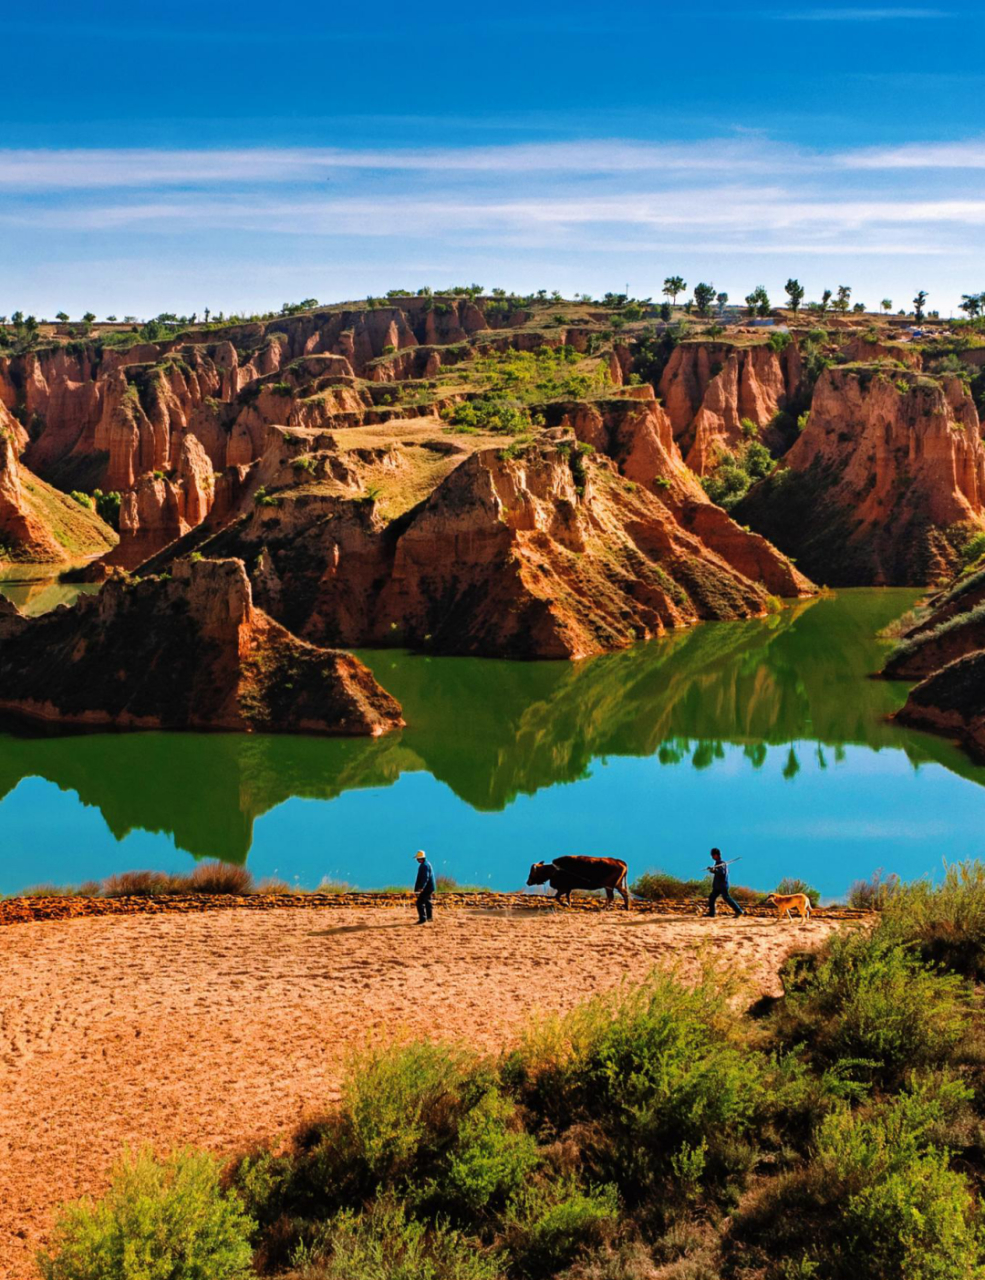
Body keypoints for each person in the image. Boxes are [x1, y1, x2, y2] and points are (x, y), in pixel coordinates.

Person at [706, 848, 744, 918]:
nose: (712, 857)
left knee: (726, 898)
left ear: (716, 855)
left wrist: (714, 870)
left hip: (722, 885)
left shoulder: (721, 863)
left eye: (712, 855)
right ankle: (712, 913)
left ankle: (739, 911)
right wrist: (712, 870)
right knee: (712, 897)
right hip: (718, 886)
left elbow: (722, 873)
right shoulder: (718, 863)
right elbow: (718, 872)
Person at [414, 849, 435, 924]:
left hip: (427, 888)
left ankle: (423, 919)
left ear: (420, 859)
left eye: (417, 859)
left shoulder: (425, 866)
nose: (417, 860)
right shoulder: (426, 864)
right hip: (430, 887)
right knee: (427, 902)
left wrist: (421, 887)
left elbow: (425, 878)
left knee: (419, 902)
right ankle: (429, 918)